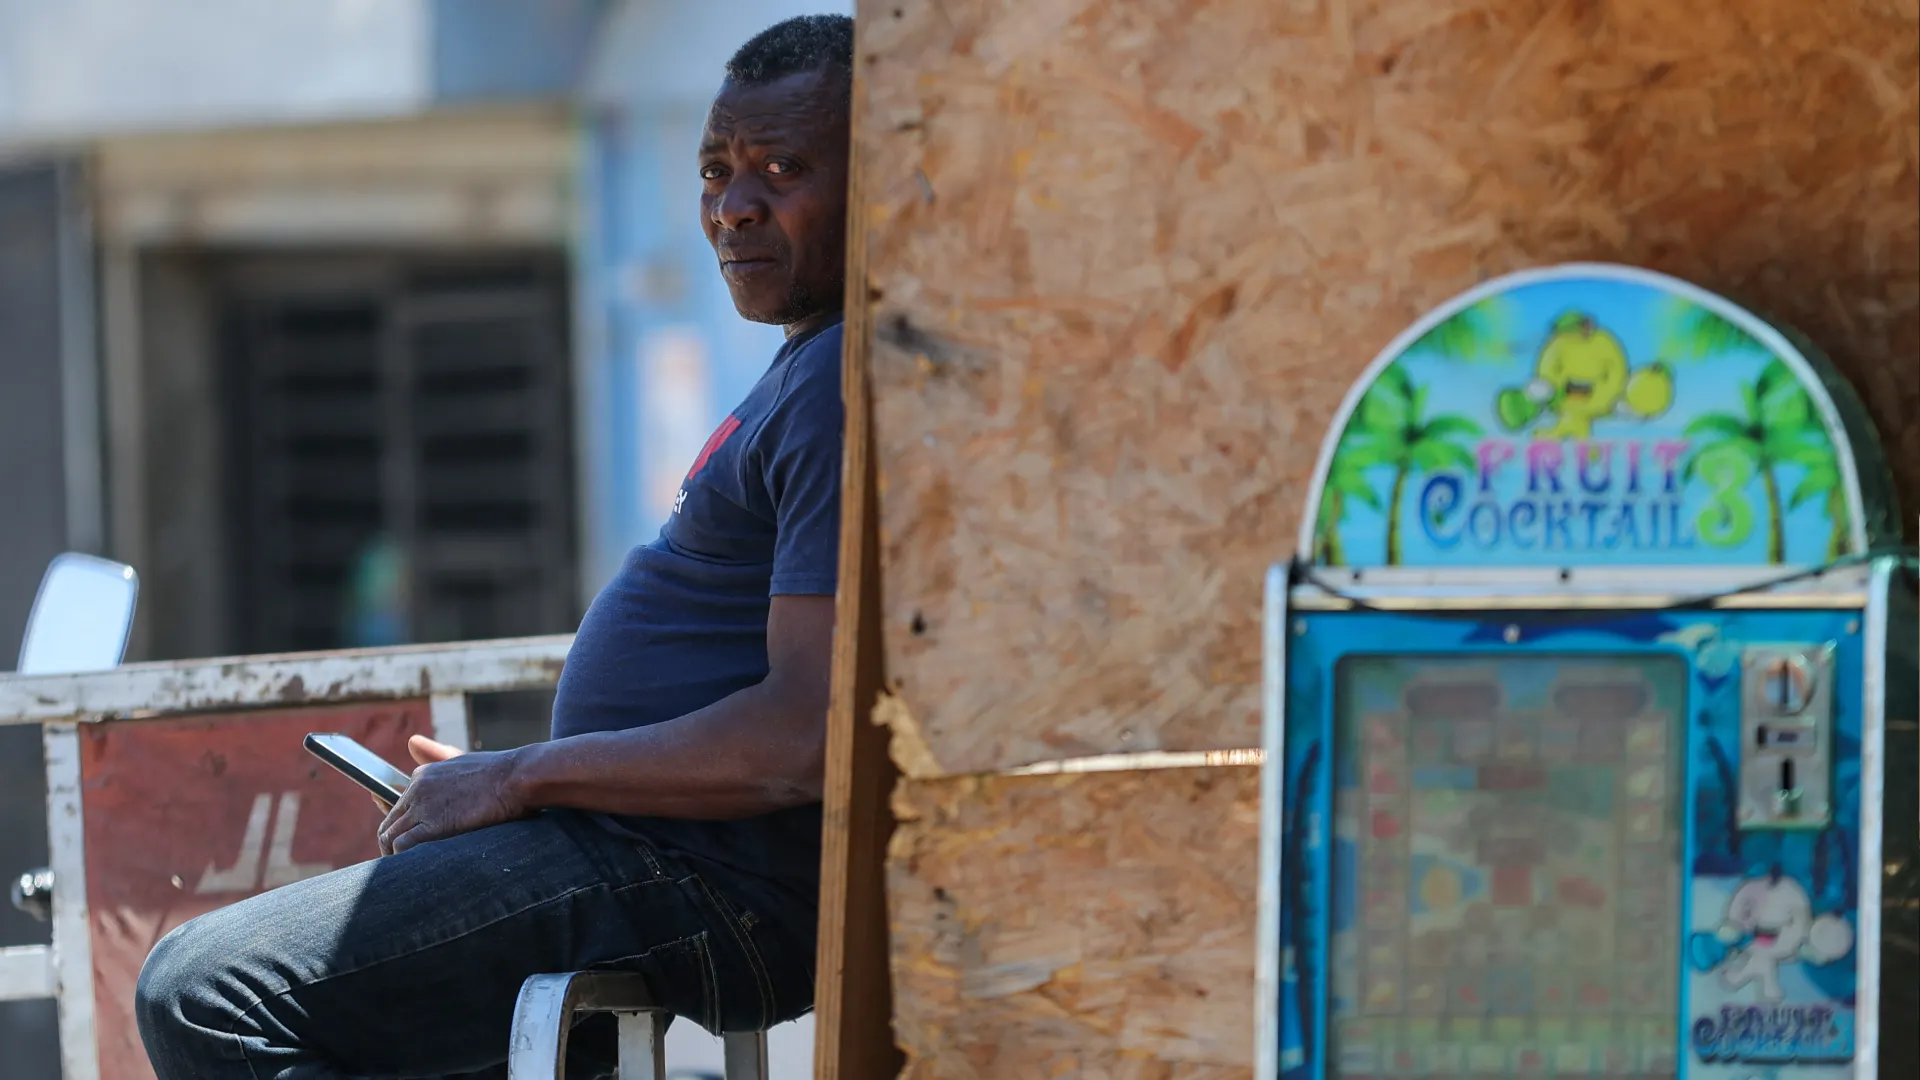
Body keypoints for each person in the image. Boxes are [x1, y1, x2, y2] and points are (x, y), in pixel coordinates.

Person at [135, 14, 854, 1078]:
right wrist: (536, 782)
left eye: (782, 168)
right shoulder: (805, 364)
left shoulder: (844, 383)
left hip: (695, 875)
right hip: (641, 845)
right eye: (714, 170)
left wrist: (524, 779)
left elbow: (804, 736)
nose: (733, 206)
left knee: (206, 988)